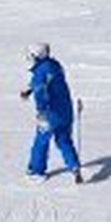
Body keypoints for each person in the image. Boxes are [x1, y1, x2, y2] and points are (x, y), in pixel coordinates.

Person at [21, 43, 81, 183]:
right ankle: (74, 167)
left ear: (36, 56)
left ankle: (36, 172)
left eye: (30, 56)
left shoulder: (40, 72)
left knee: (41, 141)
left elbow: (40, 91)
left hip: (50, 113)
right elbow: (49, 82)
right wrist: (29, 90)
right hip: (66, 111)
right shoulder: (54, 65)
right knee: (64, 140)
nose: (28, 58)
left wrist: (42, 111)